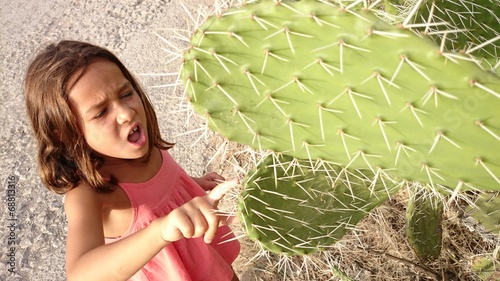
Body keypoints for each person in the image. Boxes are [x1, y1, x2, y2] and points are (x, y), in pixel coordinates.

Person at [24, 40, 241, 281]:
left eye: (126, 94)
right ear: (64, 132)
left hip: (211, 263)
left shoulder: (142, 145)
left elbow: (162, 189)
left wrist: (193, 184)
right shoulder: (88, 194)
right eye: (101, 112)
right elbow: (80, 274)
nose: (126, 113)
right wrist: (160, 231)